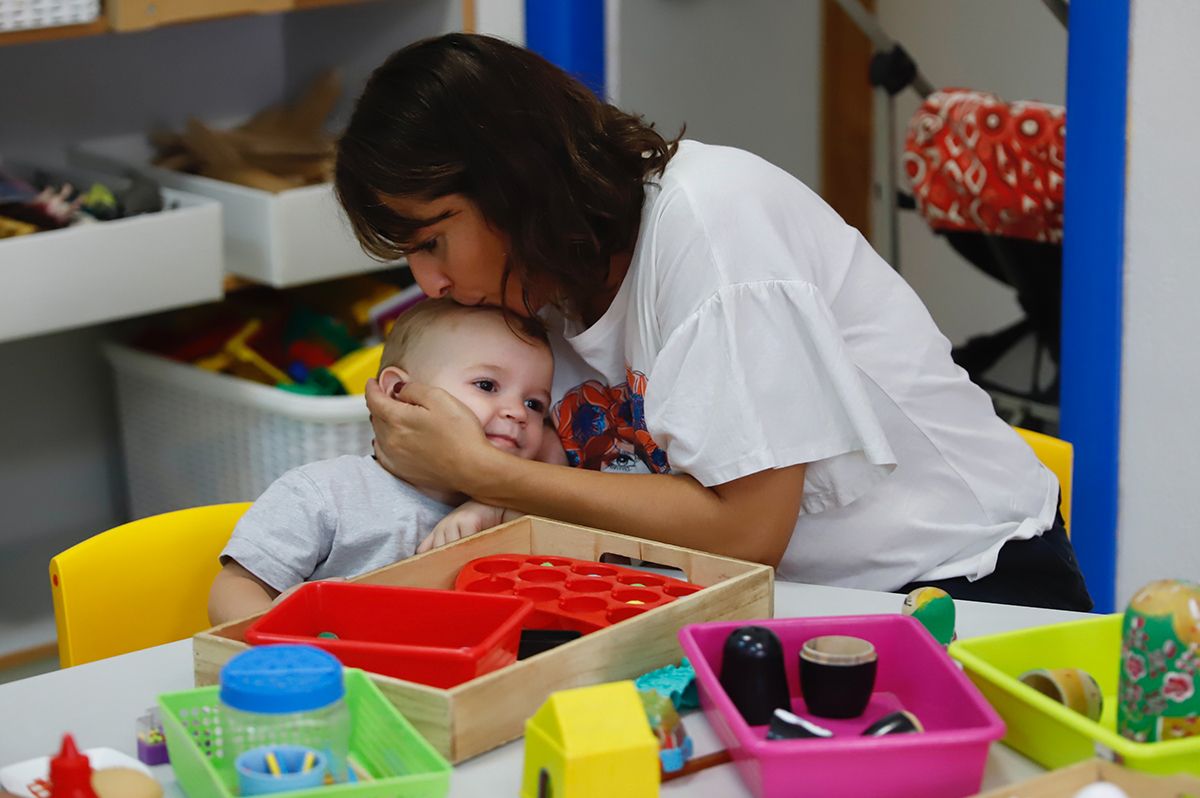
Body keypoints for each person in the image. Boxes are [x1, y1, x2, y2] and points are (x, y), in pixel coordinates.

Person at [333, 33, 1092, 611]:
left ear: (513, 179)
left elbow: (745, 531)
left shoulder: (711, 227)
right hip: (792, 602)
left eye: (433, 239)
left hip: (966, 588)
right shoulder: (540, 287)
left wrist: (487, 473)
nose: (428, 280)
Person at [207, 298, 554, 624]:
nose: (517, 413)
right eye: (487, 385)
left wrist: (491, 509)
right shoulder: (324, 493)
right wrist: (278, 631)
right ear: (398, 394)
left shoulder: (513, 512)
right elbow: (234, 588)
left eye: (535, 404)